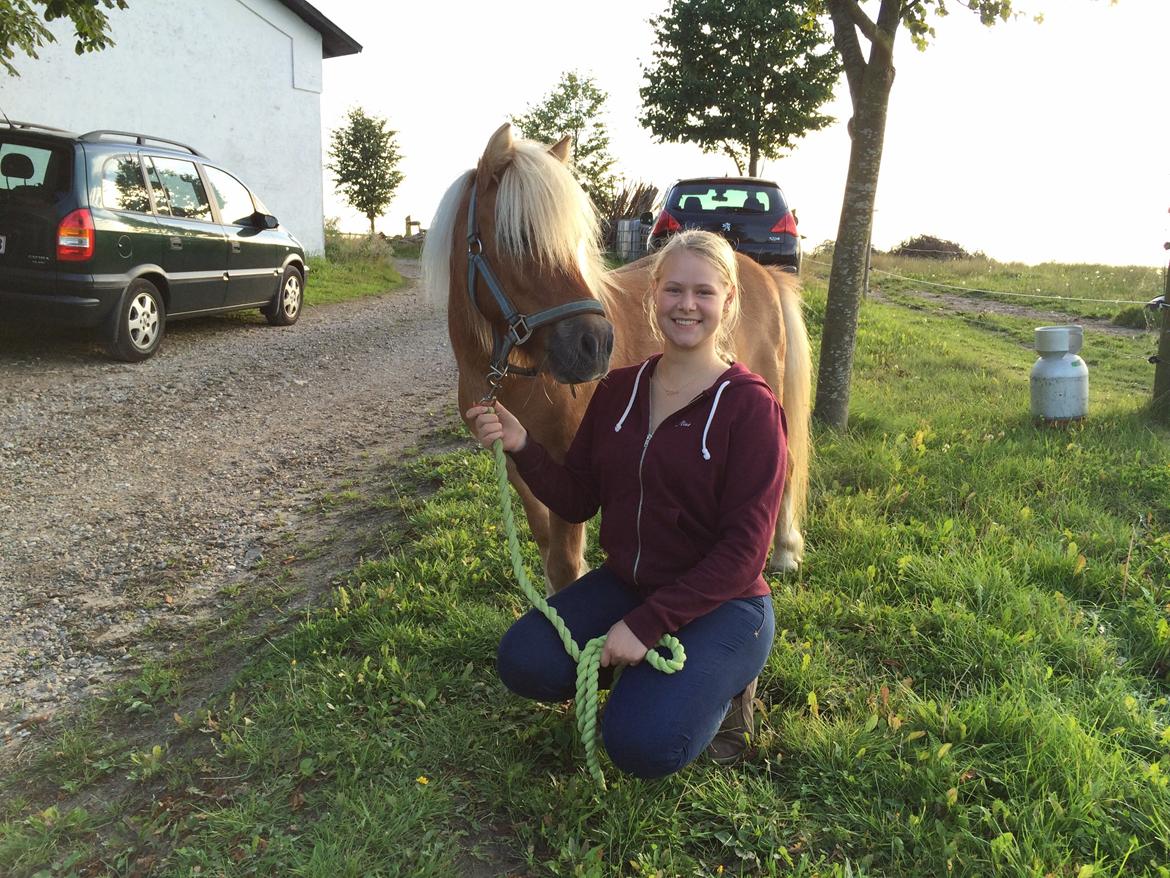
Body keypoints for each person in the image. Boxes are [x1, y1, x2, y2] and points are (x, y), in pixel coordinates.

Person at [465, 229, 787, 779]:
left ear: (728, 301)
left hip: (727, 604)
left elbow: (743, 555)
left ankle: (727, 690)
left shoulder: (750, 407)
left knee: (640, 744)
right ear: (653, 295)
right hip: (630, 583)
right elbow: (579, 496)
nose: (687, 306)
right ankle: (658, 683)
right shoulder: (617, 389)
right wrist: (523, 445)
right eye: (674, 290)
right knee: (523, 660)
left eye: (704, 293)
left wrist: (647, 625)